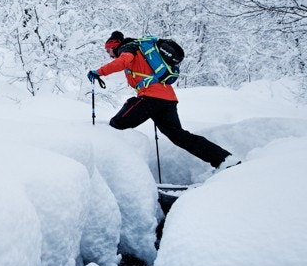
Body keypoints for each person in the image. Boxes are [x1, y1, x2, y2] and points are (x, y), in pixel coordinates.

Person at [88, 31, 239, 170]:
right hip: (167, 99)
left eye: (109, 50)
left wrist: (99, 72)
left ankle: (112, 166)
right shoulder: (141, 50)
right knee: (179, 136)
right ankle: (223, 159)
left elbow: (123, 61)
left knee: (116, 125)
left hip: (151, 98)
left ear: (115, 45)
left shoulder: (128, 48)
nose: (109, 55)